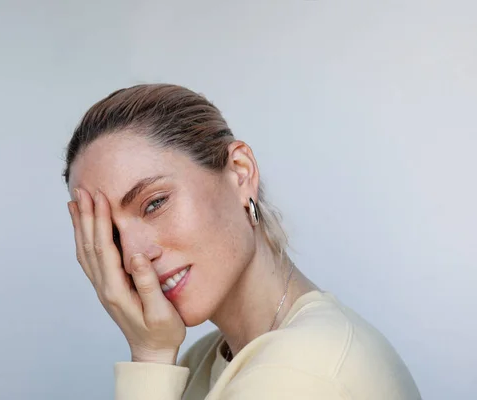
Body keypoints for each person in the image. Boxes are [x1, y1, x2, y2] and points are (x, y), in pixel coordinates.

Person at [63, 84, 421, 399]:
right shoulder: (206, 360)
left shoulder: (297, 373)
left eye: (154, 203)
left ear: (240, 172)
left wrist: (150, 358)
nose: (133, 257)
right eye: (110, 236)